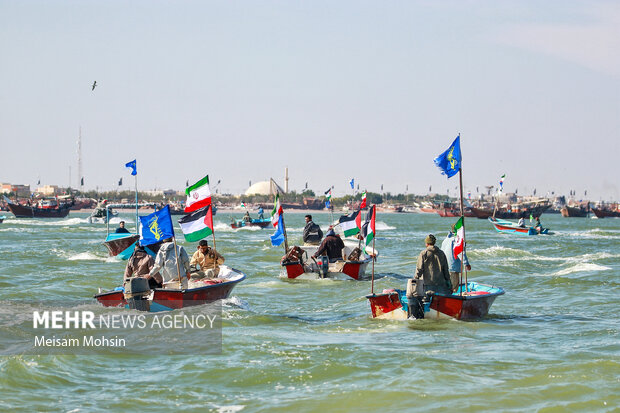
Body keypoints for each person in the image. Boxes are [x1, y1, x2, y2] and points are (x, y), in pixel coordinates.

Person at [440, 227, 471, 293]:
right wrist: (466, 264)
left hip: (444, 267)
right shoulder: (456, 240)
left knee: (446, 286)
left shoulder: (446, 239)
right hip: (452, 267)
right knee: (453, 288)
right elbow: (460, 252)